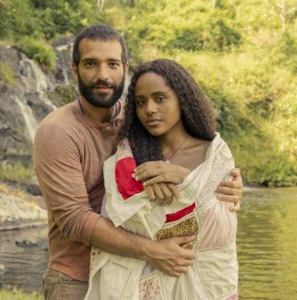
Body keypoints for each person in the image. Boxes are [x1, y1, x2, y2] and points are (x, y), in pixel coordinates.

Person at [33, 24, 243, 300]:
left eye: (112, 64)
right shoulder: (58, 131)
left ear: (125, 68)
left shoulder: (137, 123)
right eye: (90, 64)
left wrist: (222, 183)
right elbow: (74, 219)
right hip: (78, 277)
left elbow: (195, 177)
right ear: (74, 69)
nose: (103, 75)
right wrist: (153, 250)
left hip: (142, 275)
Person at [85, 59, 239, 299]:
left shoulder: (215, 151)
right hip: (149, 284)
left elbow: (222, 216)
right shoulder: (129, 158)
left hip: (213, 280)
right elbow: (124, 219)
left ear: (181, 99)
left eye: (160, 98)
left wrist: (184, 177)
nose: (149, 110)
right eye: (141, 102)